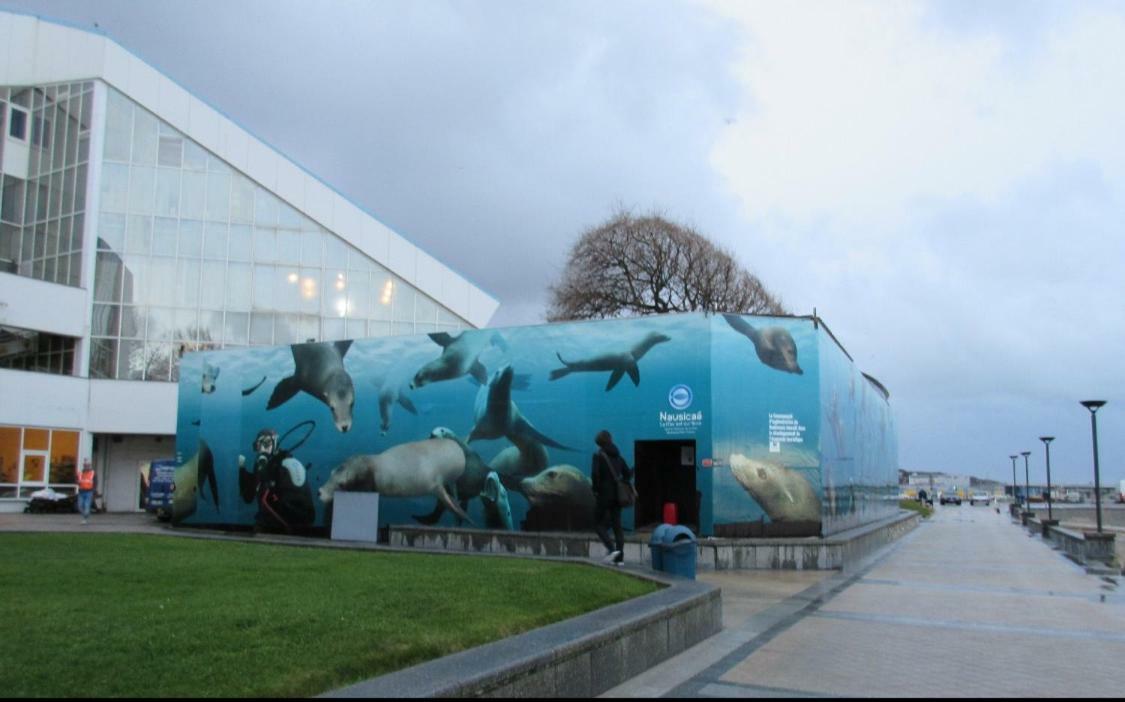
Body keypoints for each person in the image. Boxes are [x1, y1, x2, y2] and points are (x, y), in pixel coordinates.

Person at [591, 429, 633, 566]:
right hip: (617, 497)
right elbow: (627, 474)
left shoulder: (598, 456)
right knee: (617, 526)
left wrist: (596, 490)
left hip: (604, 495)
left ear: (599, 443)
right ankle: (620, 559)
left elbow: (595, 476)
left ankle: (611, 549)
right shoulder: (619, 457)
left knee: (597, 523)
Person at [76, 459, 95, 525]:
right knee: (79, 506)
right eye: (85, 466)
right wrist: (78, 482)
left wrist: (94, 490)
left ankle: (85, 518)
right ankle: (85, 516)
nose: (86, 467)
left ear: (90, 466)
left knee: (86, 506)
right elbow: (77, 481)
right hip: (81, 492)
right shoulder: (80, 473)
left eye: (88, 466)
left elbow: (95, 482)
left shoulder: (93, 473)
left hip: (89, 492)